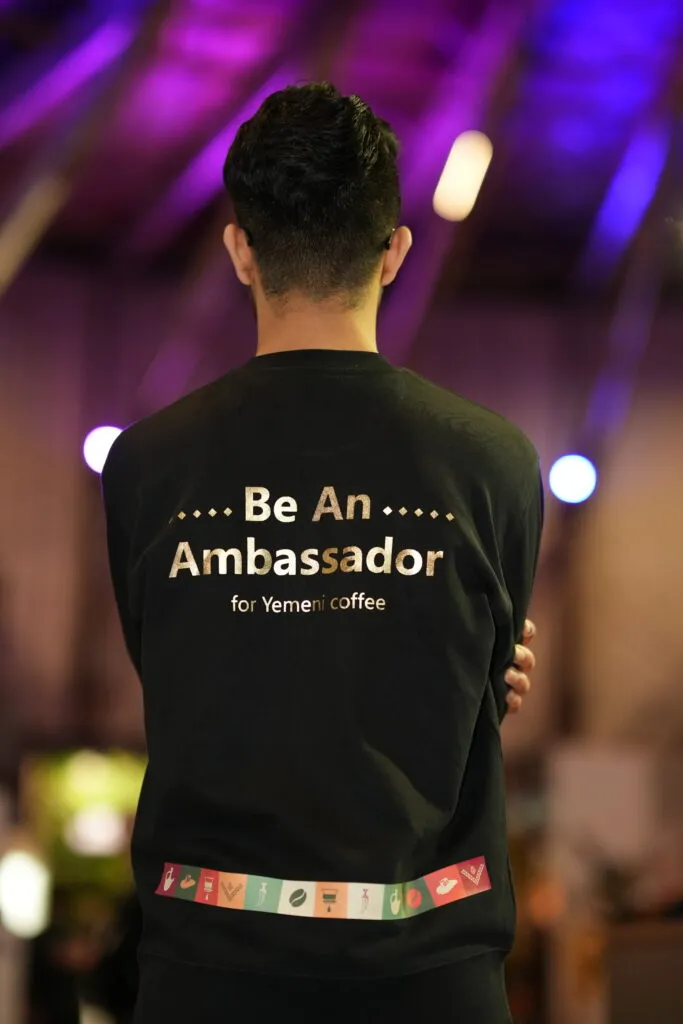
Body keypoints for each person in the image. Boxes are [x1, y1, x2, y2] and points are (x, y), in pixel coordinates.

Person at [102, 83, 544, 1023]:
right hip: (432, 979)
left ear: (237, 249)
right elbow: (477, 683)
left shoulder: (147, 465)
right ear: (394, 252)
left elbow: (176, 664)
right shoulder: (492, 460)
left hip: (207, 977)